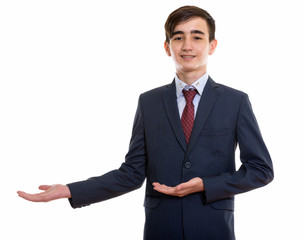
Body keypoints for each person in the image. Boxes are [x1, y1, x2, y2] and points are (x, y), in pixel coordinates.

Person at [17, 5, 274, 240]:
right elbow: (132, 173)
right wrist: (71, 190)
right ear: (167, 47)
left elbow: (261, 170)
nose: (187, 45)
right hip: (161, 228)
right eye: (178, 37)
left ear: (212, 45)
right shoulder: (149, 102)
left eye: (197, 37)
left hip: (213, 228)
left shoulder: (235, 101)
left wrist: (206, 185)